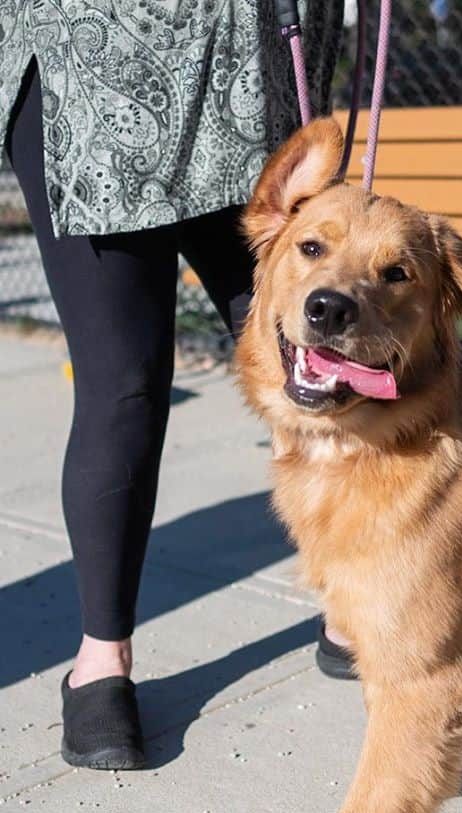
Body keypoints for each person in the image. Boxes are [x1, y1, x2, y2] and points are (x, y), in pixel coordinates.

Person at [0, 2, 343, 769]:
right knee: (122, 380)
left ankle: (355, 609)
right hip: (93, 61)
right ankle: (101, 664)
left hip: (245, 61)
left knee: (311, 351)